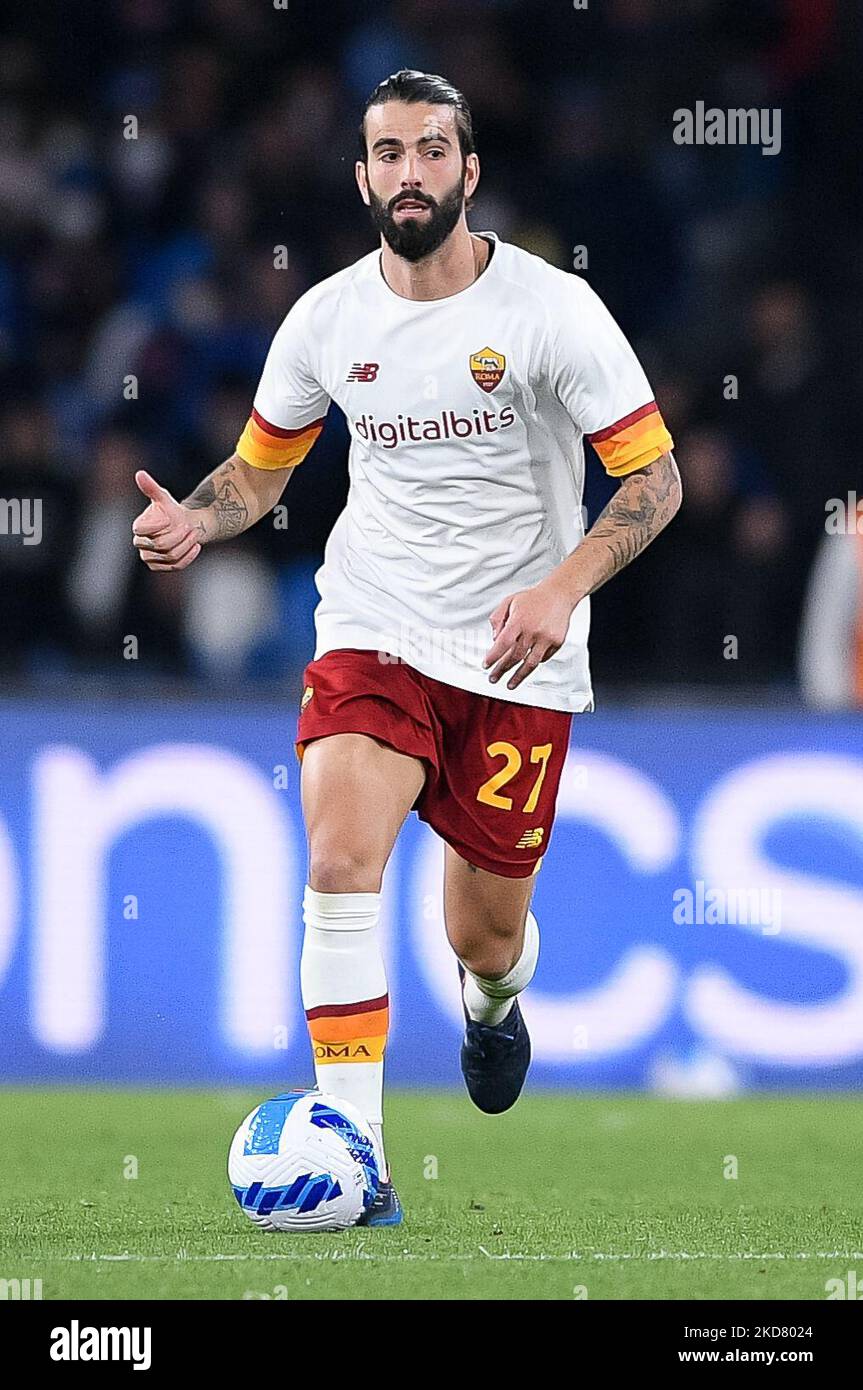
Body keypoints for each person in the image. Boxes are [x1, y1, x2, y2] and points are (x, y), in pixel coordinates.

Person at [132, 70, 681, 1227]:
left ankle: (495, 1003)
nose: (410, 173)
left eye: (433, 152)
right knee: (337, 865)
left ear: (468, 174)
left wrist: (560, 586)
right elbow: (258, 472)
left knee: (477, 932)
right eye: (388, 154)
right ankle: (358, 1155)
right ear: (362, 178)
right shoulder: (326, 318)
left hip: (516, 656)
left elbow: (654, 477)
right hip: (373, 626)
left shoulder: (548, 309)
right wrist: (195, 515)